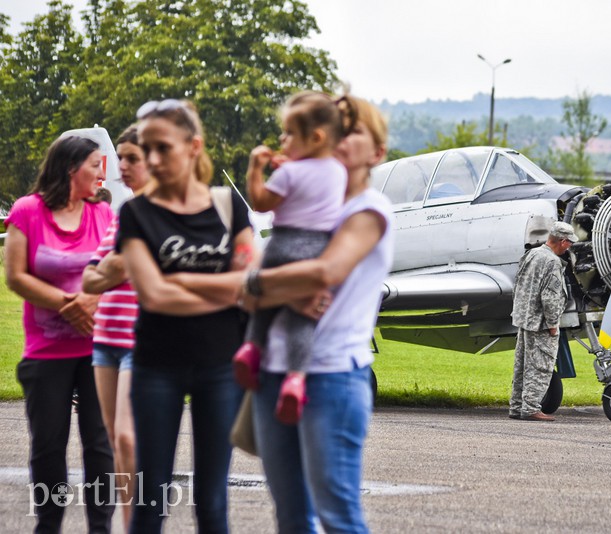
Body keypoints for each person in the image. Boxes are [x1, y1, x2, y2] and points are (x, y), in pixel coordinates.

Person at [169, 94, 392, 532]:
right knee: (290, 516)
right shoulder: (301, 210)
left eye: (354, 131)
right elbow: (251, 297)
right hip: (272, 375)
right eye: (338, 128)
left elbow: (326, 270)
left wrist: (258, 284)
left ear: (378, 152)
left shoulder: (368, 210)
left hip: (330, 375)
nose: (341, 138)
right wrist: (272, 290)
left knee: (337, 515)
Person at [116, 99, 253, 533]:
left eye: (164, 148)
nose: (152, 159)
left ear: (194, 147)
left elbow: (248, 285)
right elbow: (153, 296)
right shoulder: (136, 214)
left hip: (221, 368)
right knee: (149, 503)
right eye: (146, 148)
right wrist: (224, 288)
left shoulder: (229, 207)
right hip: (156, 367)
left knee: (212, 504)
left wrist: (178, 281)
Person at [4, 135, 115, 532]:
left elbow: (117, 274)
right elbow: (16, 276)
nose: (103, 174)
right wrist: (68, 303)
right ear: (71, 168)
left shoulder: (103, 213)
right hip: (46, 352)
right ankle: (47, 526)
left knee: (100, 446)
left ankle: (100, 528)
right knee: (48, 447)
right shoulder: (27, 211)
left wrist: (91, 303)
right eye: (95, 165)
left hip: (98, 350)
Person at [234, 90, 356, 425]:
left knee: (267, 302)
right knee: (302, 320)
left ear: (314, 137)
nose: (282, 139)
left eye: (288, 133)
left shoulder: (288, 175)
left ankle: (251, 349)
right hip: (315, 249)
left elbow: (260, 202)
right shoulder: (337, 172)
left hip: (281, 245)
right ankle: (296, 379)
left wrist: (255, 169)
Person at [81, 125, 150, 531]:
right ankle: (130, 524)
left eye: (131, 158)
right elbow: (93, 276)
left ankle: (138, 523)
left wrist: (117, 266)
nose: (121, 167)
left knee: (127, 438)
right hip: (104, 338)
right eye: (119, 158)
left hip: (140, 340)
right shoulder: (124, 212)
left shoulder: (170, 212)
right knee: (114, 442)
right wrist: (122, 265)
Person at [509, 221, 577, 422]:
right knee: (541, 366)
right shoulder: (552, 262)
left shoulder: (532, 254)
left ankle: (517, 406)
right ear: (562, 241)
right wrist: (553, 325)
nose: (570, 246)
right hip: (540, 323)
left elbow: (518, 284)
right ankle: (530, 408)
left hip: (524, 319)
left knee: (522, 365)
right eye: (569, 243)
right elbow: (550, 297)